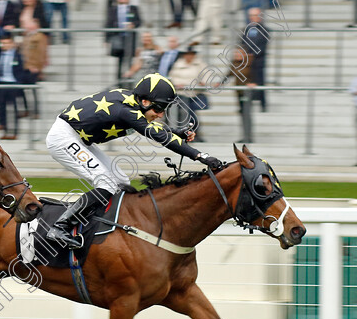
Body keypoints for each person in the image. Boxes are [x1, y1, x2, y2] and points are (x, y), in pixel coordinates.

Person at [44, 73, 223, 248]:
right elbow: (157, 135)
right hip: (64, 138)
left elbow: (151, 126)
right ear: (145, 102)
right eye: (159, 108)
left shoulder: (133, 102)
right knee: (105, 182)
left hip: (78, 138)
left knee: (121, 181)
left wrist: (177, 133)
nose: (161, 114)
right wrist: (200, 156)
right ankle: (60, 226)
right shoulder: (126, 111)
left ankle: (102, 223)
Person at [168, 45, 207, 141]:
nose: (189, 56)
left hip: (195, 94)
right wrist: (178, 84)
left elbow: (206, 75)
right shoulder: (178, 64)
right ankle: (183, 134)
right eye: (187, 54)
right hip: (181, 94)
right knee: (184, 115)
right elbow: (173, 76)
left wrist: (203, 82)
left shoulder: (200, 64)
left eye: (191, 54)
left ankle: (194, 134)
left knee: (192, 116)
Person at [0, 32, 24, 140]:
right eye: (2, 43)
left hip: (13, 83)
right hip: (1, 83)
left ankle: (15, 131)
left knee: (14, 108)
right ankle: (5, 129)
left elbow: (21, 70)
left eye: (7, 43)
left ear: (11, 43)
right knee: (2, 108)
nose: (4, 45)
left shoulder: (17, 55)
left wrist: (18, 82)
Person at [105, 0, 141, 83]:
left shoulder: (133, 9)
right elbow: (108, 23)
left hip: (130, 38)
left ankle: (128, 80)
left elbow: (138, 22)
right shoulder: (113, 9)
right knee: (120, 60)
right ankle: (119, 81)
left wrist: (133, 25)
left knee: (129, 59)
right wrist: (107, 39)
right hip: (118, 37)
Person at [20, 17, 48, 119]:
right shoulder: (27, 36)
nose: (26, 26)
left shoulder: (40, 37)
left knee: (33, 90)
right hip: (25, 67)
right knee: (21, 89)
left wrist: (38, 67)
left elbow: (41, 53)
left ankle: (36, 111)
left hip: (33, 67)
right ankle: (27, 109)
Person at [244, 7, 268, 111]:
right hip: (247, 62)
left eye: (255, 15)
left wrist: (252, 54)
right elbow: (243, 43)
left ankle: (263, 105)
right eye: (251, 16)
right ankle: (247, 105)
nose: (253, 18)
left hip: (258, 61)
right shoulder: (247, 29)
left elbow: (262, 45)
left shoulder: (265, 30)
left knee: (260, 83)